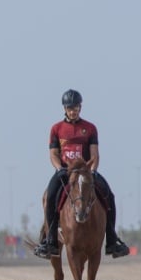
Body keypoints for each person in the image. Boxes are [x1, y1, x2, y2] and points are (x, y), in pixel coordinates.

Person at [34, 89, 129, 259]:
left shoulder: (90, 128)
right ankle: (50, 242)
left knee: (109, 195)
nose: (73, 111)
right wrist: (59, 168)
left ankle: (112, 240)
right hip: (65, 171)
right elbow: (53, 154)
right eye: (70, 108)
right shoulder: (56, 129)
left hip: (85, 172)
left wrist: (92, 170)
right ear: (64, 108)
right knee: (50, 197)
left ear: (80, 107)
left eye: (76, 107)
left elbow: (94, 154)